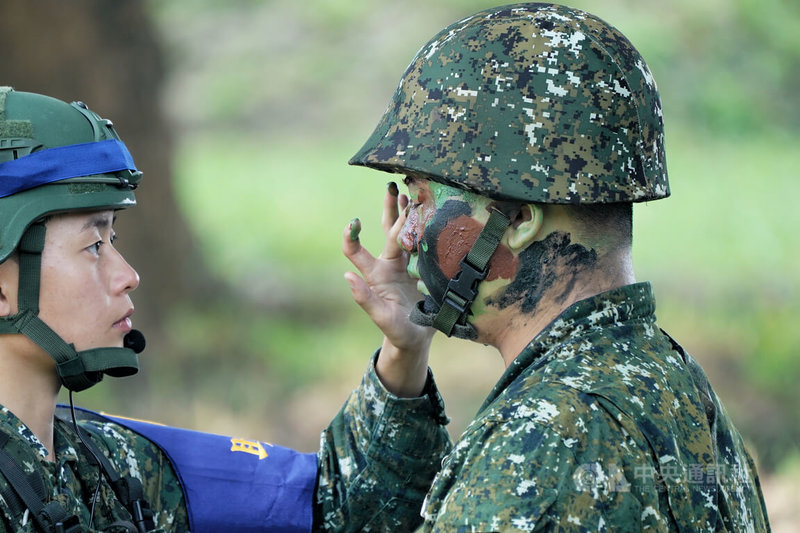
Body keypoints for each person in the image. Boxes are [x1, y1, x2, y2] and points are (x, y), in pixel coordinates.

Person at [342, 3, 771, 531]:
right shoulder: (675, 385)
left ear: (518, 218)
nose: (406, 236)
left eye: (424, 198)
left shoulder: (545, 445)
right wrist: (404, 354)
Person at [0, 86, 450, 532]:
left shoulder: (110, 464)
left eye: (112, 239)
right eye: (93, 245)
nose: (128, 275)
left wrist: (404, 350)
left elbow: (335, 510)